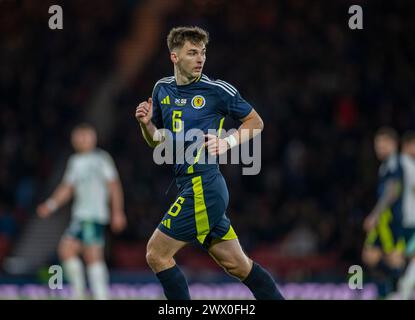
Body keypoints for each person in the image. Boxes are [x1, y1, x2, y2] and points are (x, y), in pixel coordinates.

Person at [135, 26, 284, 300]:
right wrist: (146, 125)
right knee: (239, 266)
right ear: (174, 57)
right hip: (190, 188)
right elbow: (157, 141)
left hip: (204, 186)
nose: (200, 58)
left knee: (156, 253)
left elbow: (256, 122)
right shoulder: (161, 89)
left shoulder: (217, 90)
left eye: (203, 52)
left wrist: (227, 142)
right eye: (192, 53)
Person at [37, 123, 126, 300]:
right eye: (78, 137)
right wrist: (51, 205)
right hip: (81, 215)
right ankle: (86, 293)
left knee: (85, 253)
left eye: (86, 136)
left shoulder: (101, 159)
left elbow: (114, 186)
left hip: (93, 215)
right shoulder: (75, 161)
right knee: (71, 251)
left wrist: (118, 212)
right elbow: (67, 188)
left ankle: (94, 294)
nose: (82, 140)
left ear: (93, 138)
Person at [362, 127, 405, 295]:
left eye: (382, 144)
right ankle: (394, 289)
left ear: (393, 144)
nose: (378, 149)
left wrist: (375, 214)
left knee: (391, 258)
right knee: (372, 256)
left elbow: (393, 190)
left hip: (390, 219)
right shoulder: (386, 165)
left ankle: (400, 285)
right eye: (376, 145)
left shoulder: (394, 162)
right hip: (386, 219)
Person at [396, 132, 415, 299]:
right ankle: (404, 289)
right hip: (408, 219)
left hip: (406, 218)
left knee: (407, 255)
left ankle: (404, 288)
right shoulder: (405, 163)